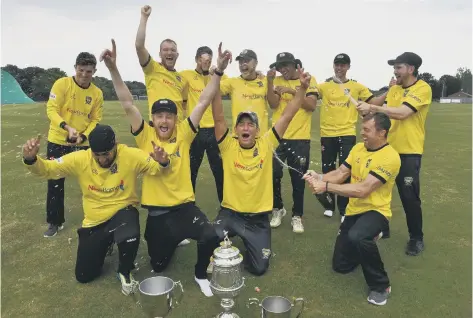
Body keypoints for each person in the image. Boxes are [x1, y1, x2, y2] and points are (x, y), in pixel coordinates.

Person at [100, 39, 232, 297]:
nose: (164, 120)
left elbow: (204, 100)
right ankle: (171, 242)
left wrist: (218, 71)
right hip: (158, 215)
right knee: (158, 266)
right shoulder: (144, 134)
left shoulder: (184, 132)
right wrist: (113, 69)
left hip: (183, 208)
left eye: (169, 116)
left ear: (175, 118)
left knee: (210, 234)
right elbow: (127, 103)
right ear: (153, 118)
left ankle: (199, 274)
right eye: (159, 115)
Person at [22, 124, 172, 295]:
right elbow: (50, 169)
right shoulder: (81, 158)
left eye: (106, 154)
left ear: (115, 144)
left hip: (123, 211)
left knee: (130, 234)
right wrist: (31, 160)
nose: (102, 159)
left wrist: (163, 162)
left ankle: (124, 271)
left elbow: (156, 169)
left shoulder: (130, 155)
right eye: (97, 155)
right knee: (84, 276)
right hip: (95, 219)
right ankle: (106, 241)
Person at [209, 65, 312, 276]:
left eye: (250, 125)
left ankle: (248, 243)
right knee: (208, 237)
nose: (246, 128)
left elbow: (288, 114)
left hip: (257, 219)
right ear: (236, 130)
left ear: (257, 130)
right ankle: (224, 244)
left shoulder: (266, 144)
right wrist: (216, 77)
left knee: (259, 268)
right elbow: (219, 116)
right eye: (242, 125)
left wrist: (301, 88)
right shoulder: (228, 146)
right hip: (231, 214)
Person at [303, 112, 401, 306]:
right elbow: (341, 173)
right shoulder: (358, 148)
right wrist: (320, 177)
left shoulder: (390, 157)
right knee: (341, 266)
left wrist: (326, 187)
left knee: (359, 236)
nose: (361, 132)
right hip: (354, 211)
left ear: (382, 132)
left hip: (377, 211)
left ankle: (381, 286)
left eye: (367, 129)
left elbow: (363, 190)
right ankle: (367, 239)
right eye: (362, 128)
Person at [356, 52, 432, 256]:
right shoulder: (394, 89)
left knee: (409, 197)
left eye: (399, 67)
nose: (395, 71)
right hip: (386, 151)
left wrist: (372, 106)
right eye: (394, 67)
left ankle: (416, 238)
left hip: (409, 151)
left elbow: (403, 113)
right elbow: (383, 114)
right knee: (380, 192)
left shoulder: (422, 88)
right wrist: (366, 111)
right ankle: (381, 228)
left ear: (411, 69)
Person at [316, 53, 391, 221]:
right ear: (333, 66)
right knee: (328, 169)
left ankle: (343, 209)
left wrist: (388, 91)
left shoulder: (356, 87)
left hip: (347, 133)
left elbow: (375, 103)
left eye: (343, 65)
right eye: (337, 64)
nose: (339, 68)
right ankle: (329, 205)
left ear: (348, 67)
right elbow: (310, 96)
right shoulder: (324, 86)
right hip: (327, 134)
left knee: (346, 171)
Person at [43, 52, 103, 237]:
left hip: (82, 144)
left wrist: (83, 137)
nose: (84, 74)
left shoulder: (97, 93)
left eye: (89, 71)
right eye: (81, 70)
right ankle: (55, 222)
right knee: (55, 182)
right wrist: (66, 127)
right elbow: (51, 109)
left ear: (94, 71)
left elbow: (95, 119)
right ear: (75, 67)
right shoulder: (62, 84)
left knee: (92, 181)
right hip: (58, 140)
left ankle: (96, 219)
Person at [265, 52, 319, 233]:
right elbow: (273, 104)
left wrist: (292, 91)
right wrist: (271, 83)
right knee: (273, 175)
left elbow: (311, 106)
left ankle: (297, 215)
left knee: (298, 179)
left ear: (295, 65)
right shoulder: (277, 80)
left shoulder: (308, 79)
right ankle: (277, 209)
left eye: (285, 66)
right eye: (279, 67)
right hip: (277, 137)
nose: (282, 70)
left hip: (300, 139)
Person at [180, 46, 226, 203]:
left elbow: (232, 83)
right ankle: (188, 204)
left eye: (209, 60)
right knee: (190, 171)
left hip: (214, 131)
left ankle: (225, 205)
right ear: (197, 59)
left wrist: (218, 72)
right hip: (195, 131)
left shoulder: (215, 76)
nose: (206, 63)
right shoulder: (186, 75)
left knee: (219, 171)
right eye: (203, 60)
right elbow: (172, 81)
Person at [135, 5, 188, 121]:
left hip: (178, 129)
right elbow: (139, 46)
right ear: (159, 54)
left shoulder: (182, 79)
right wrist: (144, 17)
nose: (169, 52)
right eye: (165, 50)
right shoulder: (152, 68)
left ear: (177, 55)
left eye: (173, 50)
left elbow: (184, 106)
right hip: (157, 126)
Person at [219, 49, 269, 133]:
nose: (243, 64)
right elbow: (211, 89)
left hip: (261, 139)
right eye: (241, 62)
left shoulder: (266, 81)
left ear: (256, 63)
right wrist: (219, 69)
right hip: (239, 138)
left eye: (247, 61)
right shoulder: (232, 82)